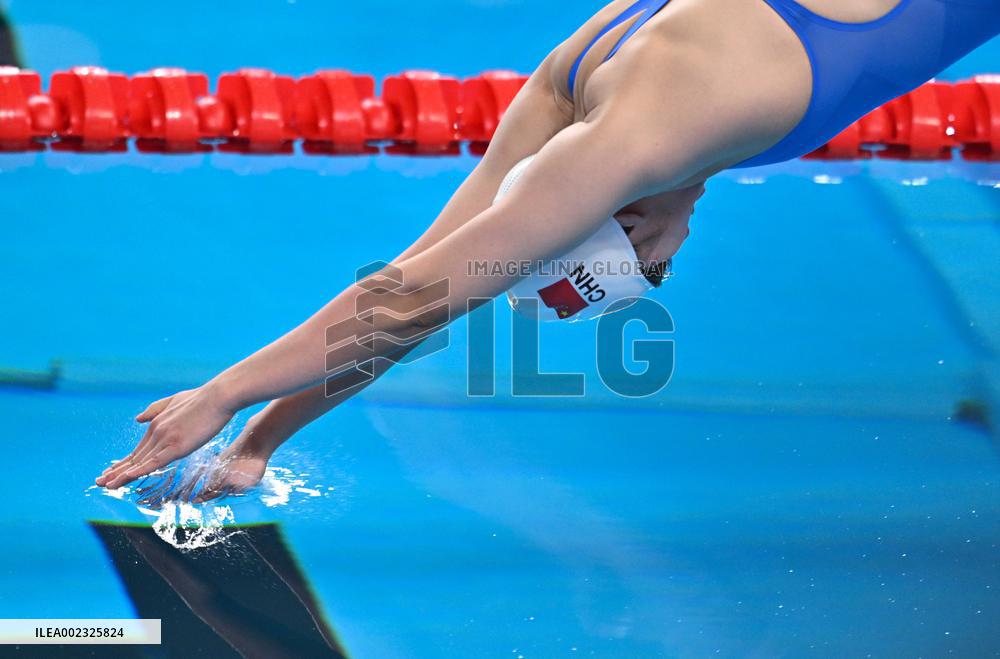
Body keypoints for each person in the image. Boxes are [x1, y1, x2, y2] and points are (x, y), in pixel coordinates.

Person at [97, 0, 1000, 498]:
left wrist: (227, 398)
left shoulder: (629, 143)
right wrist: (265, 440)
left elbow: (412, 301)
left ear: (609, 218)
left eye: (655, 265)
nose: (668, 257)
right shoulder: (627, 108)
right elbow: (415, 293)